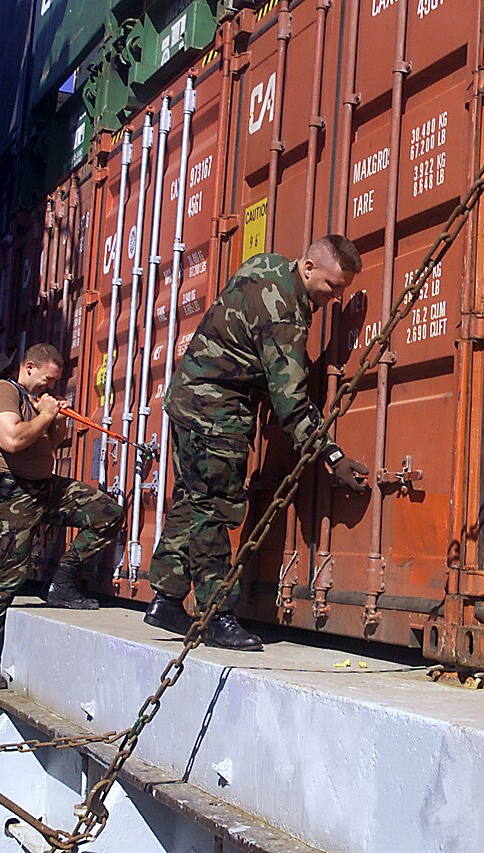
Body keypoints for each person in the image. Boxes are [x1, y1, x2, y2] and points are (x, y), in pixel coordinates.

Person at [145, 235, 372, 650]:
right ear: (307, 268)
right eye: (332, 286)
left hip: (185, 399)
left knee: (192, 499)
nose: (335, 297)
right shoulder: (287, 316)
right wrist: (332, 456)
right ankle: (217, 616)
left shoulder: (266, 263)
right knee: (214, 509)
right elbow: (290, 404)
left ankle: (166, 598)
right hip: (216, 414)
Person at [0, 344, 125, 689]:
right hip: (11, 493)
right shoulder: (1, 392)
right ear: (28, 368)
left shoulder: (36, 402)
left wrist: (54, 420)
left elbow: (53, 442)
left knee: (106, 513)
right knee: (5, 578)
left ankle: (63, 582)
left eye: (55, 382)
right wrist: (43, 415)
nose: (50, 388)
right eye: (46, 380)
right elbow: (11, 440)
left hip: (44, 487)